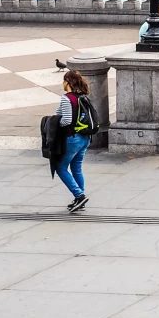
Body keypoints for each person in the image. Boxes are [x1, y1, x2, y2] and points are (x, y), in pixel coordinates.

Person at [53, 70, 93, 212]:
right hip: (84, 138)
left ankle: (79, 195)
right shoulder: (83, 96)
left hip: (72, 139)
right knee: (76, 168)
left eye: (64, 81)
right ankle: (79, 197)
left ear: (67, 81)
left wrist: (56, 124)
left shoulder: (67, 98)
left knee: (61, 168)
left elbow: (66, 120)